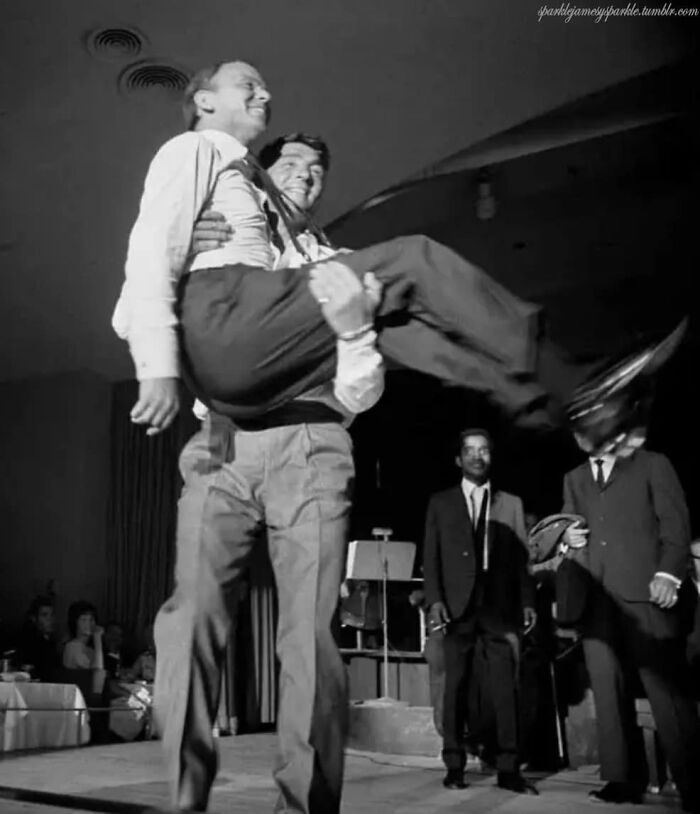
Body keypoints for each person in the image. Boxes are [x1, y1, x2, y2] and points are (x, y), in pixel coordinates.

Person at [112, 60, 583, 445]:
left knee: (390, 312)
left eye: (317, 170)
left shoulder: (323, 257)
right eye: (248, 84)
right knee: (414, 257)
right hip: (228, 366)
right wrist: (157, 366)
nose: (264, 95)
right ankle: (563, 377)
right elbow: (145, 263)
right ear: (205, 100)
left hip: (274, 385)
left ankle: (561, 402)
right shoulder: (202, 156)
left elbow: (363, 375)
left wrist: (358, 326)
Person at [559, 447, 700, 811]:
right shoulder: (573, 478)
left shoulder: (652, 464)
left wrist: (669, 574)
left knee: (667, 693)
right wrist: (569, 541)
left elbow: (676, 523)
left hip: (648, 597)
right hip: (597, 601)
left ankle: (692, 782)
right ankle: (621, 780)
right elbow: (573, 533)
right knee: (607, 692)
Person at [422, 428, 538, 795]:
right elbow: (431, 556)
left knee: (506, 689)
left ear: (491, 457)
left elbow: (522, 561)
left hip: (499, 606)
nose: (477, 456)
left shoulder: (512, 503)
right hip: (456, 607)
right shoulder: (440, 503)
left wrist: (528, 601)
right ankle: (454, 765)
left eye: (484, 450)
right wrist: (435, 600)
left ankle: (508, 768)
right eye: (470, 451)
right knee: (454, 687)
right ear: (459, 459)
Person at [15, 595, 61, 681]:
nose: (49, 619)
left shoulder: (52, 642)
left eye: (51, 615)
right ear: (34, 618)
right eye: (44, 615)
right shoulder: (29, 643)